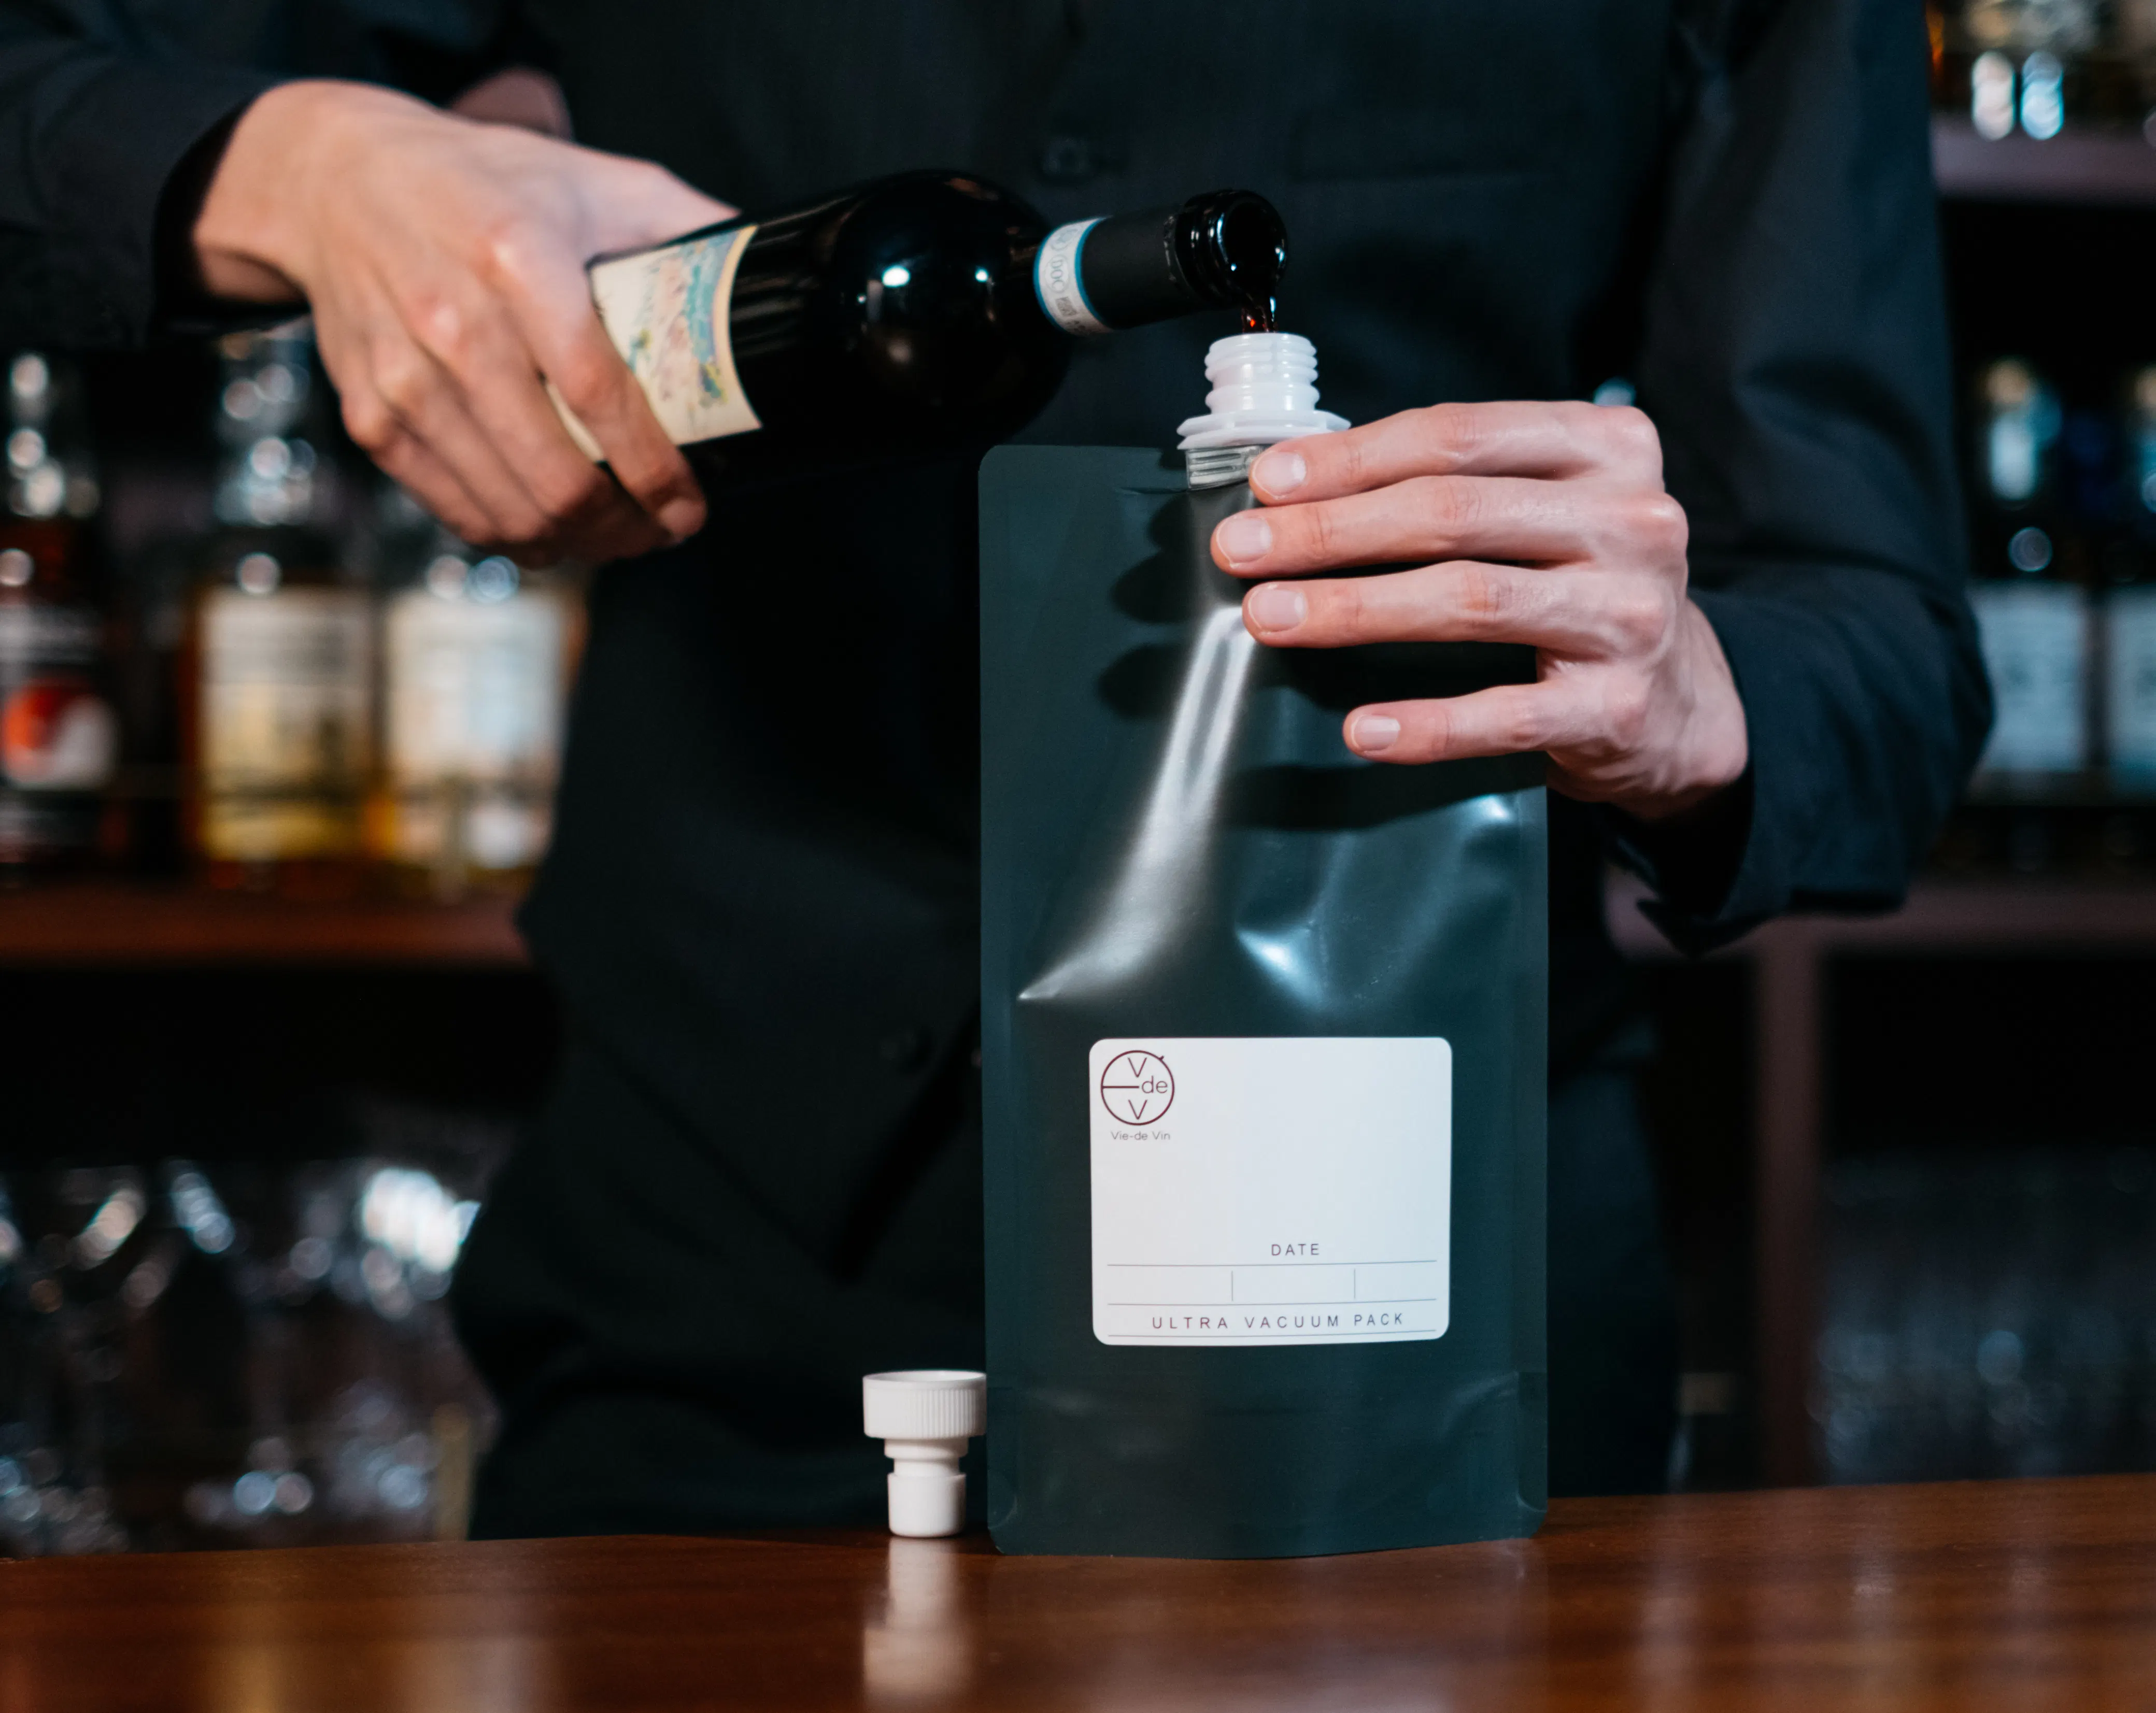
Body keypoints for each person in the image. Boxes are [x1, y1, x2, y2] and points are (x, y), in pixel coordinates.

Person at [0, 0, 1988, 1528]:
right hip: (721, 1285)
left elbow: (1888, 644)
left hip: (1412, 1312)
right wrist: (310, 169)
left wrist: (1697, 689)